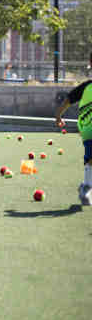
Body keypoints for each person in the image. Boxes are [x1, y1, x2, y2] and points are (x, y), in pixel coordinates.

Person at [55, 51, 92, 205]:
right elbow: (68, 100)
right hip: (88, 127)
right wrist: (58, 116)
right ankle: (87, 186)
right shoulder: (86, 87)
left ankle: (86, 184)